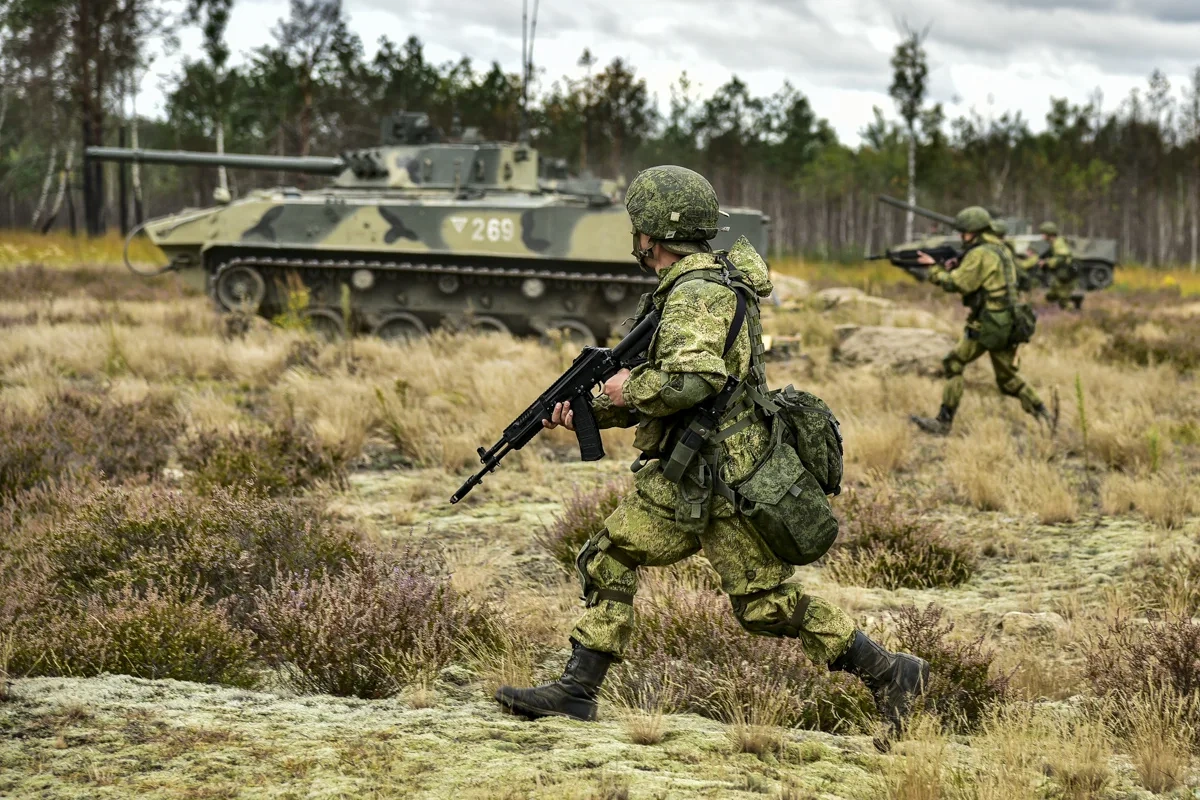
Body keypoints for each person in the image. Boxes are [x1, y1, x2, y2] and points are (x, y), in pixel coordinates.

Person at [494, 165, 928, 739]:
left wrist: (626, 389)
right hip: (688, 470)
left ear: (650, 234)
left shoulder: (698, 293)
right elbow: (681, 390)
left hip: (723, 479)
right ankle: (577, 690)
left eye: (638, 227)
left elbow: (693, 382)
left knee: (765, 605)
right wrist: (592, 412)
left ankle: (893, 672)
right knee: (609, 554)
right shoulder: (695, 285)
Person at [911, 206, 1052, 435]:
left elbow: (959, 284)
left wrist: (934, 270)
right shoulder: (999, 248)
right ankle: (1045, 416)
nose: (961, 237)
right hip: (1009, 320)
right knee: (1007, 379)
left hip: (989, 323)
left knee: (954, 363)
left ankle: (943, 423)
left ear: (974, 232)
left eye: (964, 232)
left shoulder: (979, 253)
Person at [1022, 221, 1081, 310]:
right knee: (1051, 296)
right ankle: (1073, 300)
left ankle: (1073, 313)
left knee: (1063, 299)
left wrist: (1046, 262)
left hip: (1064, 275)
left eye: (1043, 234)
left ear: (1049, 234)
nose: (1042, 236)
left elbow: (1062, 258)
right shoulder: (1054, 243)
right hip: (1060, 275)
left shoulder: (1058, 243)